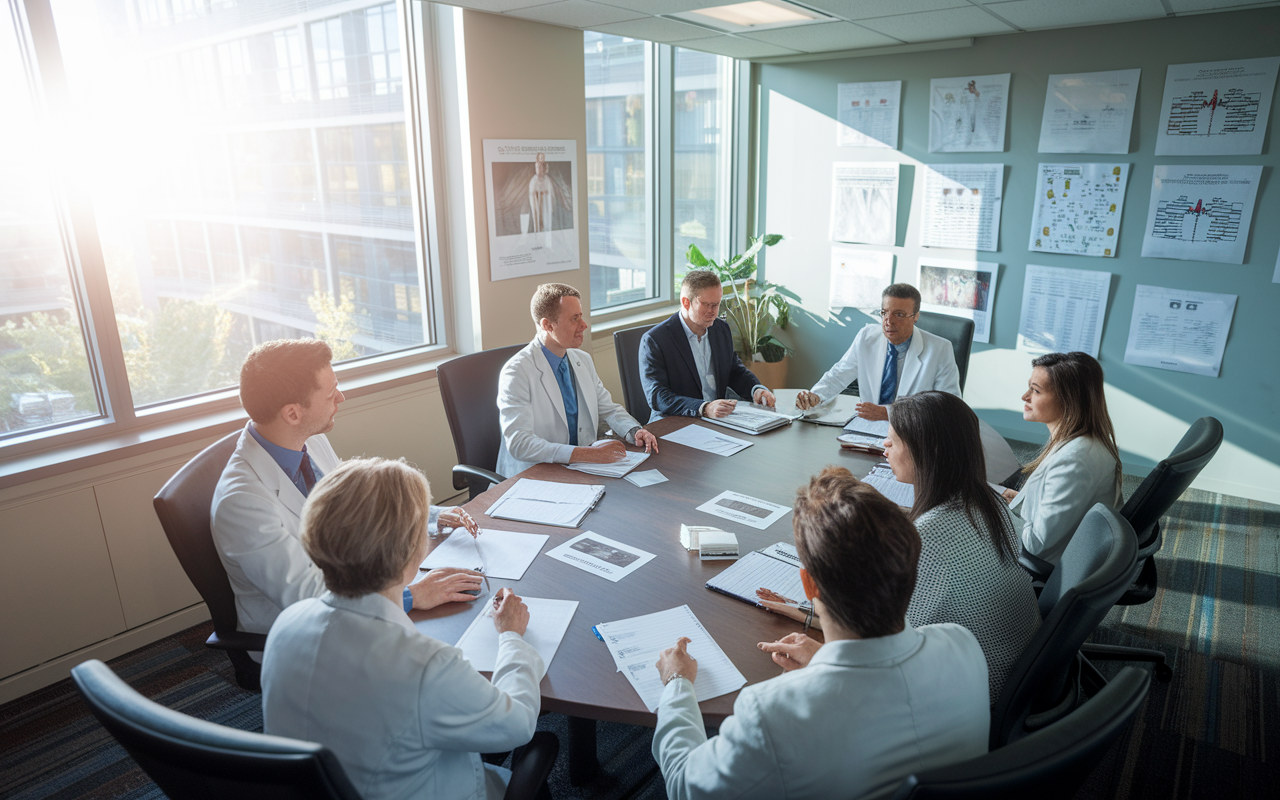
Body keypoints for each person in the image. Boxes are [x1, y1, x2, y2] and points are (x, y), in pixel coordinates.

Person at [651, 467, 990, 800]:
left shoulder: (773, 714)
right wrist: (822, 666)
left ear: (808, 583)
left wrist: (677, 683)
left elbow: (684, 785)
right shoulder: (963, 644)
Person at [262, 458, 543, 800]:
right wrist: (511, 636)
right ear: (415, 550)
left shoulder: (285, 624)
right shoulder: (425, 665)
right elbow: (517, 725)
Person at [212, 339, 482, 654]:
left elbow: (356, 505)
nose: (341, 397)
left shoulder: (305, 441)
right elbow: (308, 595)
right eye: (330, 394)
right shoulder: (241, 503)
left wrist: (430, 516)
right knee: (451, 652)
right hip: (307, 637)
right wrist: (411, 596)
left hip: (358, 590)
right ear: (293, 413)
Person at [883, 391, 1040, 704]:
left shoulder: (929, 538)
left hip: (976, 692)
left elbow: (894, 640)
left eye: (893, 440)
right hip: (1014, 664)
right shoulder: (987, 499)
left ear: (925, 452)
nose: (884, 445)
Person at [496, 283, 659, 476]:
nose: (584, 325)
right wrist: (589, 454)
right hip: (535, 474)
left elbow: (607, 408)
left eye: (581, 316)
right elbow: (519, 444)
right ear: (547, 325)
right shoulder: (516, 372)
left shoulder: (582, 360)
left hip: (579, 469)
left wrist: (634, 431)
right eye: (574, 319)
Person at [1003, 351, 1123, 569]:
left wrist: (999, 514)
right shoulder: (1084, 441)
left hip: (1042, 567)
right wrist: (1022, 502)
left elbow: (1036, 544)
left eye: (1036, 390)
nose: (1025, 396)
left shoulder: (1075, 461)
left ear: (1069, 400)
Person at [795, 283, 960, 421]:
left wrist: (889, 414)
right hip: (868, 428)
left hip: (914, 433)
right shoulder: (867, 336)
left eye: (899, 314)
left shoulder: (940, 350)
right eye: (884, 312)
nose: (889, 321)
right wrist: (816, 395)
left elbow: (947, 408)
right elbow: (839, 374)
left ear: (915, 316)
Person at [639, 269, 776, 421]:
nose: (713, 312)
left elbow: (734, 371)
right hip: (675, 420)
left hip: (716, 419)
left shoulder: (721, 329)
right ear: (686, 302)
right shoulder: (655, 340)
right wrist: (704, 408)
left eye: (716, 304)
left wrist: (755, 390)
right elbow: (657, 396)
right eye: (706, 305)